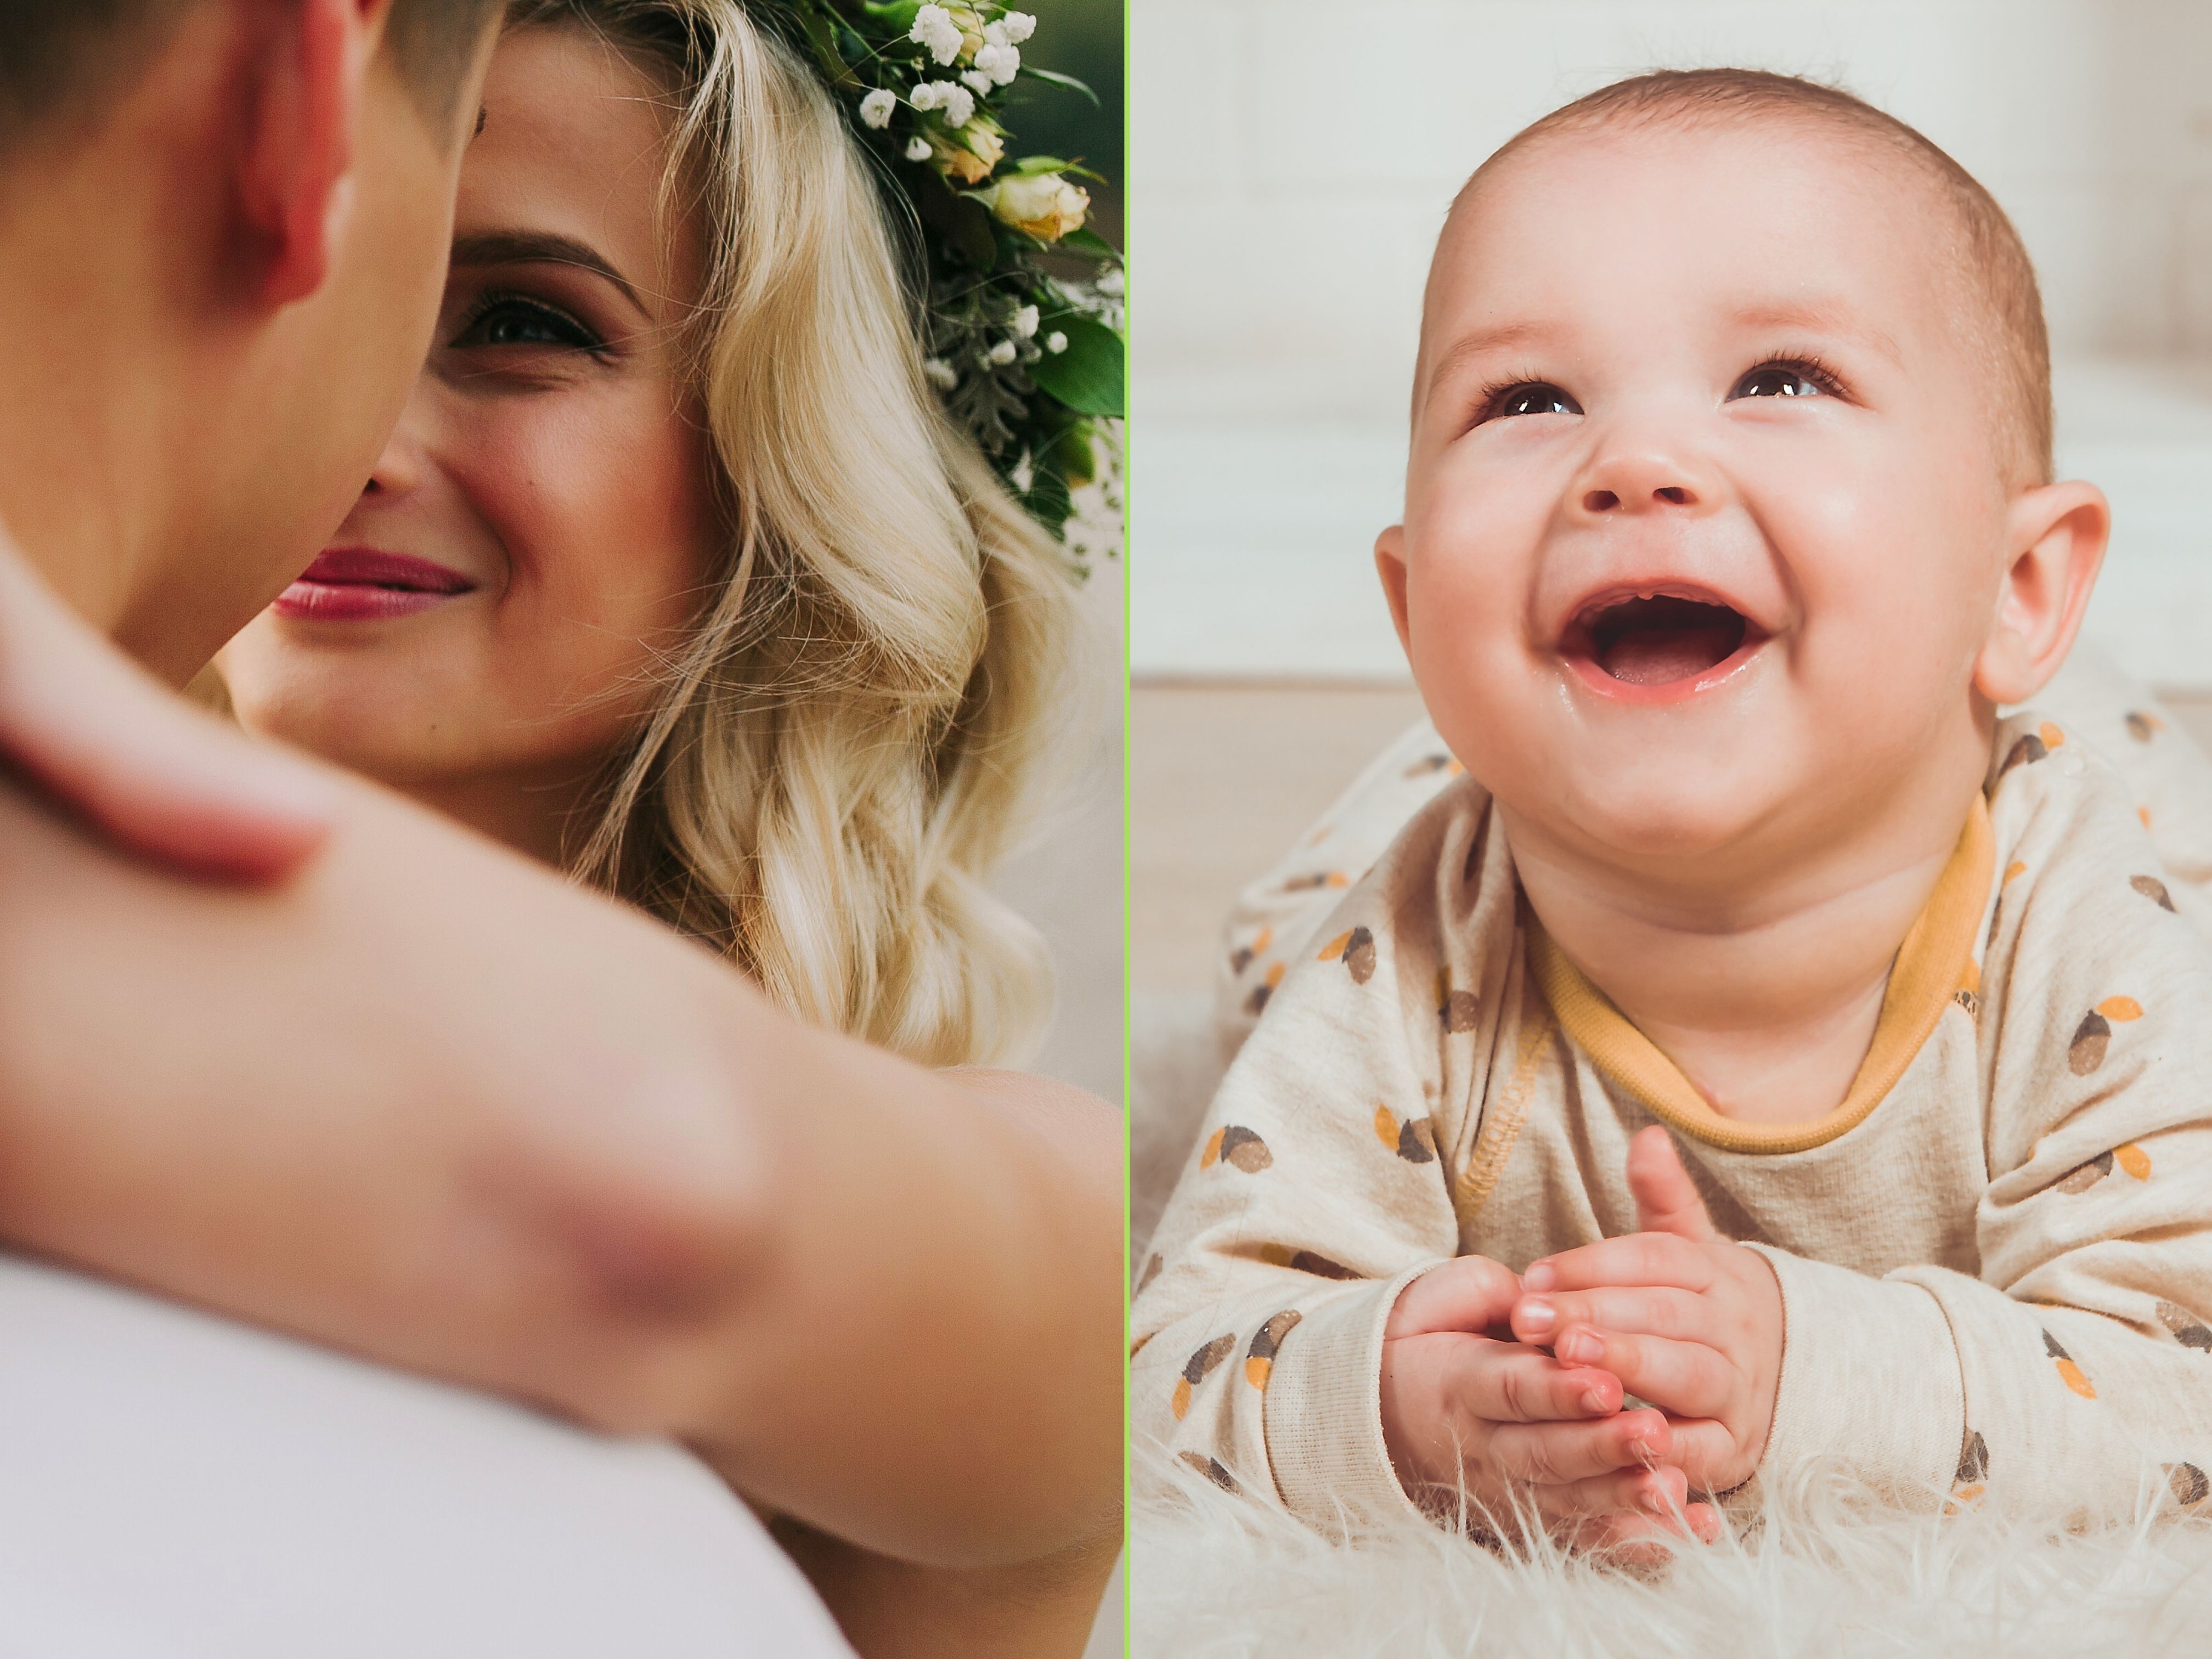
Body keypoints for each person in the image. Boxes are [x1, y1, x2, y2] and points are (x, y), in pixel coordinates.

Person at [0, 2, 1120, 1652]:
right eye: (335, 305)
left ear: (781, 457)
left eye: (522, 324)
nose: (366, 441)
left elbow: (667, 1197)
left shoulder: (1055, 1217)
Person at [1132, 69, 2212, 1549]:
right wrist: (1394, 1405)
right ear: (1407, 607)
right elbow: (1176, 1362)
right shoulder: (1414, 949)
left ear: (2016, 587)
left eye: (1781, 381)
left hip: (2105, 787)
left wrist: (1804, 1369)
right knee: (1278, 950)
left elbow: (2177, 1398)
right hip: (1451, 800)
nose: (1630, 465)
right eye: (1527, 399)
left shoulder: (2094, 940)